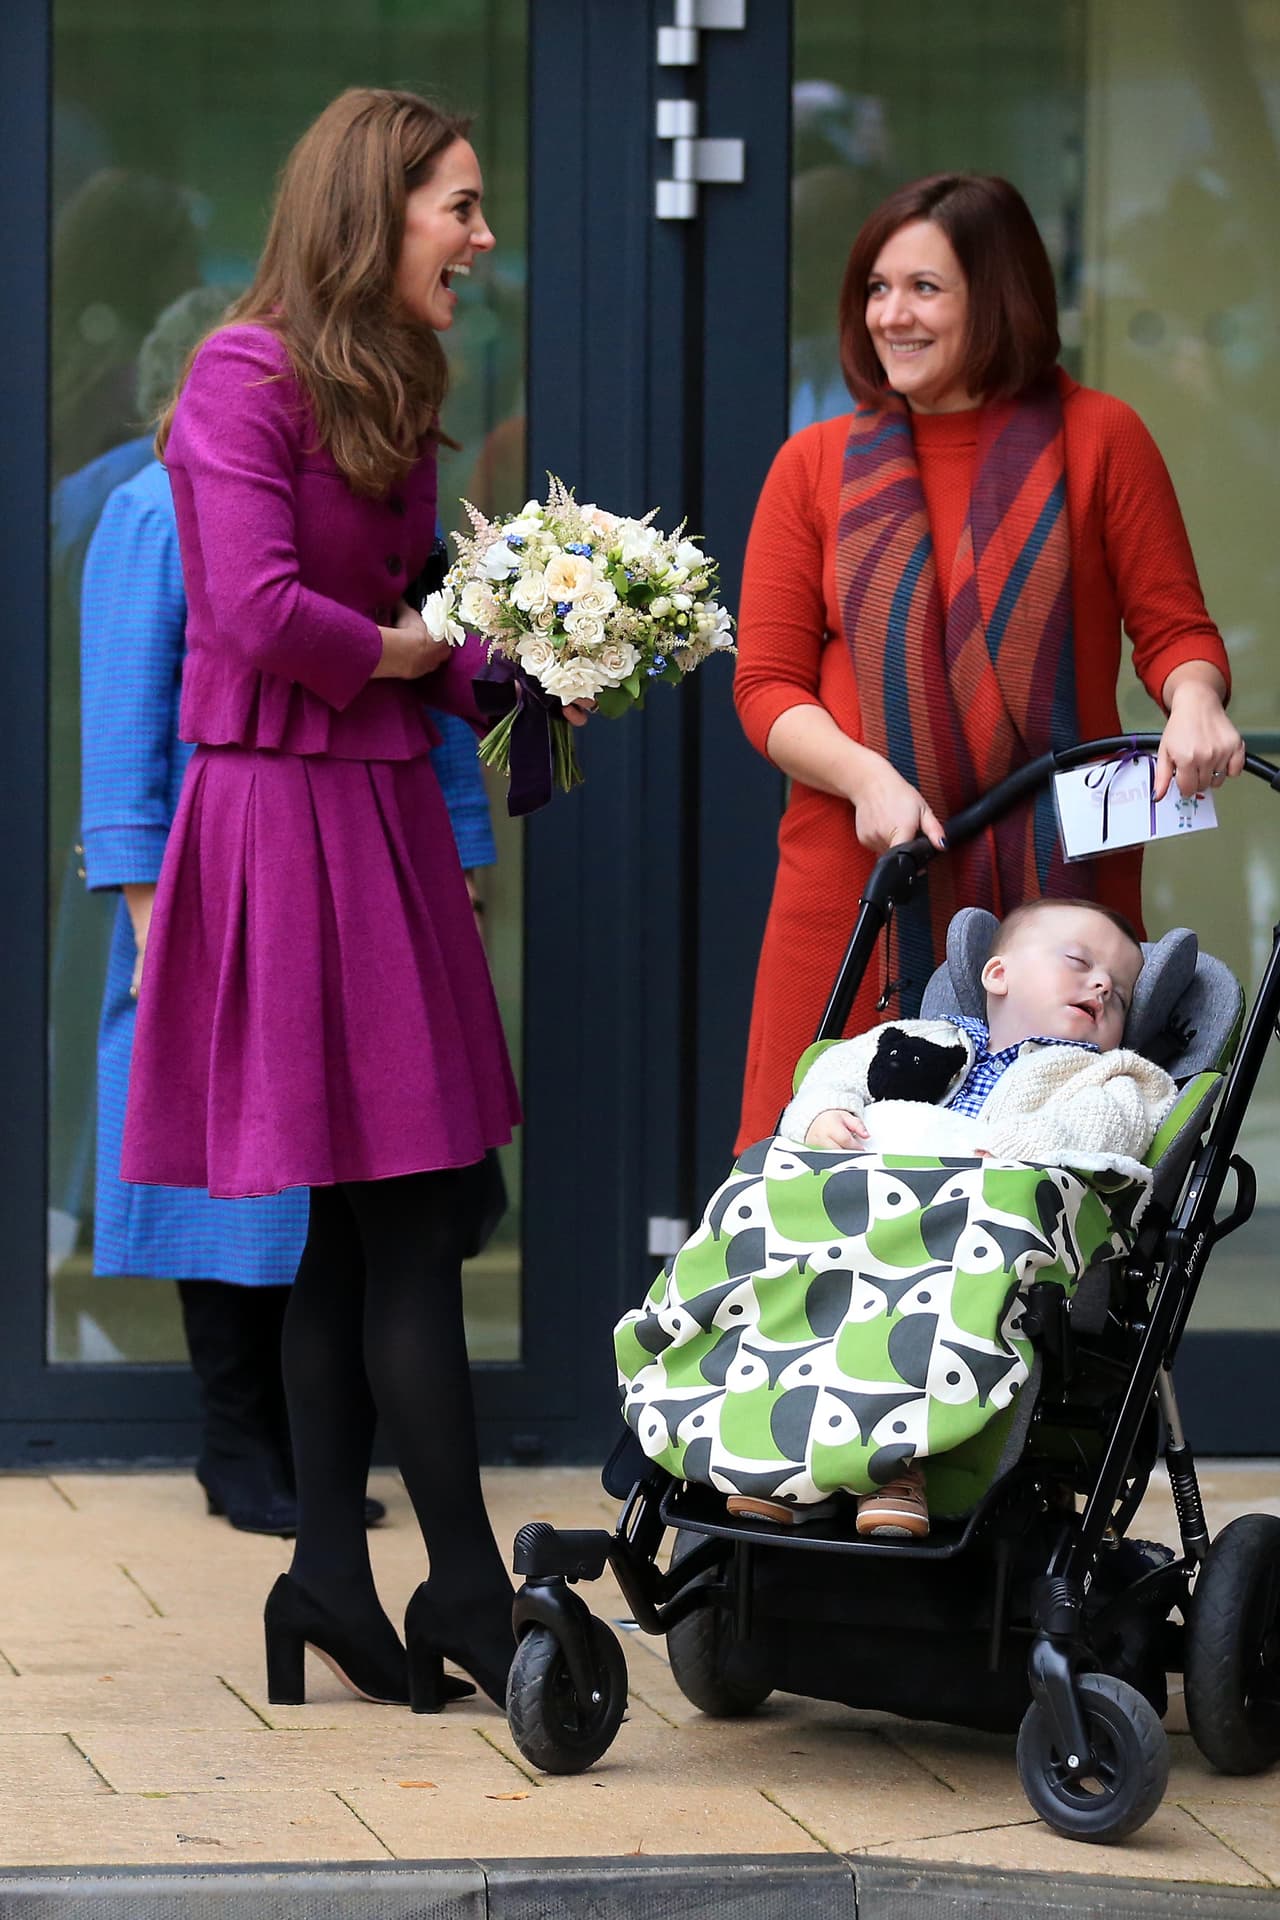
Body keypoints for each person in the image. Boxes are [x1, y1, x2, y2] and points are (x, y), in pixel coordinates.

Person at [121, 88, 587, 1712]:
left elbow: (401, 618)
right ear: (369, 211)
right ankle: (460, 1586)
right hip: (282, 823)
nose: (481, 235)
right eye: (457, 205)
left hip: (373, 814)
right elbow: (258, 614)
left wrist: (521, 678)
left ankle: (330, 1574)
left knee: (353, 1227)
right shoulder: (238, 381)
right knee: (404, 1219)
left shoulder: (399, 378)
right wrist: (425, 658)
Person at [80, 286, 499, 1540]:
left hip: (356, 853)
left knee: (348, 1182)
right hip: (222, 869)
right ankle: (235, 1442)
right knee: (231, 1178)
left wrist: (464, 857)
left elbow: (416, 698)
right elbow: (124, 718)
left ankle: (312, 1490)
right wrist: (150, 905)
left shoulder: (361, 510)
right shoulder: (151, 509)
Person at [732, 171, 1243, 1154]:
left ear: (997, 293)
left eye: (924, 288)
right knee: (810, 1171)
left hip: (1052, 907)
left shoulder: (1102, 439)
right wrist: (865, 779)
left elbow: (1173, 630)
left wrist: (1193, 701)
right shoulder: (815, 465)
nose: (891, 314)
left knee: (1041, 1196)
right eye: (876, 289)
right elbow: (765, 687)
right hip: (857, 881)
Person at [726, 898, 1173, 1542]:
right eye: (1079, 963)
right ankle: (766, 1451)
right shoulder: (914, 1042)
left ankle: (896, 1464)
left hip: (966, 1244)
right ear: (998, 975)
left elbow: (1109, 1129)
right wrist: (822, 1116)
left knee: (910, 1323)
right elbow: (833, 1075)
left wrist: (1019, 1143)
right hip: (854, 1229)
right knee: (771, 1205)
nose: (1103, 985)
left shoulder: (1111, 1075)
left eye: (1122, 993)